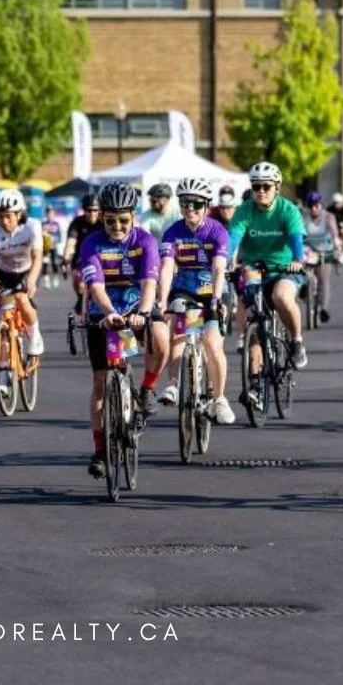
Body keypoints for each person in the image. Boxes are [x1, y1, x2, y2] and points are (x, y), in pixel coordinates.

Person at [77, 181, 169, 478]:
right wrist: (108, 313)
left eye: (123, 220)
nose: (117, 226)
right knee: (101, 383)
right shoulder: (91, 242)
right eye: (110, 220)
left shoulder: (145, 241)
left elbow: (149, 284)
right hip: (104, 311)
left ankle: (147, 388)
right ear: (102, 216)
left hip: (136, 306)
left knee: (160, 337)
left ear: (134, 216)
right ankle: (100, 451)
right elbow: (96, 286)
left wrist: (143, 312)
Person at [227, 162, 307, 404]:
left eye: (266, 186)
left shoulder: (287, 210)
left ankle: (296, 342)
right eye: (256, 186)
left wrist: (297, 259)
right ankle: (254, 382)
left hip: (284, 269)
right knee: (254, 317)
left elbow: (296, 244)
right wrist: (227, 261)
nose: (261, 191)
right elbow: (232, 240)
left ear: (277, 187)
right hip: (254, 268)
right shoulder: (244, 210)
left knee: (281, 297)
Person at [157, 178, 235, 423]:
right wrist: (161, 301)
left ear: (206, 205)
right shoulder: (173, 232)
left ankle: (219, 398)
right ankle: (173, 383)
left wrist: (215, 298)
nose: (190, 209)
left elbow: (219, 267)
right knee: (177, 325)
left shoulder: (217, 231)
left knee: (212, 344)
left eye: (196, 204)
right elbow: (168, 267)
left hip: (213, 289)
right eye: (184, 203)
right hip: (185, 290)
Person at [0, 188, 44, 397]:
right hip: (2, 274)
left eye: (9, 216)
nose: (4, 221)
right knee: (3, 323)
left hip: (26, 272)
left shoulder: (32, 227)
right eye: (0, 216)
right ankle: (4, 375)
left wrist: (32, 279)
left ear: (19, 213)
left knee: (22, 299)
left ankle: (34, 337)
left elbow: (38, 257)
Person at [301, 190, 341, 323]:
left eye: (316, 206)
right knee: (299, 272)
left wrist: (337, 247)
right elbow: (296, 233)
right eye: (311, 206)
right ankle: (304, 290)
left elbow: (334, 234)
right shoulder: (303, 216)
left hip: (324, 250)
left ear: (321, 205)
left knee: (324, 279)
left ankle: (323, 308)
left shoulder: (328, 217)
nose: (313, 209)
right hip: (307, 249)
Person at [62, 194, 103, 316]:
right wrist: (65, 260)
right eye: (89, 210)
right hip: (82, 258)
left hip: (101, 258)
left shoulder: (104, 223)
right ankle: (80, 298)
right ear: (84, 210)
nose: (92, 213)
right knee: (80, 285)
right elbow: (70, 243)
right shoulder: (77, 223)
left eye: (95, 210)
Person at [40, 206, 64, 289]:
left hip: (53, 246)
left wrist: (54, 240)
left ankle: (55, 277)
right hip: (45, 248)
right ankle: (46, 281)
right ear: (46, 214)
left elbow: (59, 236)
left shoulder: (56, 224)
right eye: (49, 213)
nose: (50, 215)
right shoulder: (43, 224)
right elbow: (39, 236)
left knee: (54, 263)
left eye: (52, 213)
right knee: (45, 263)